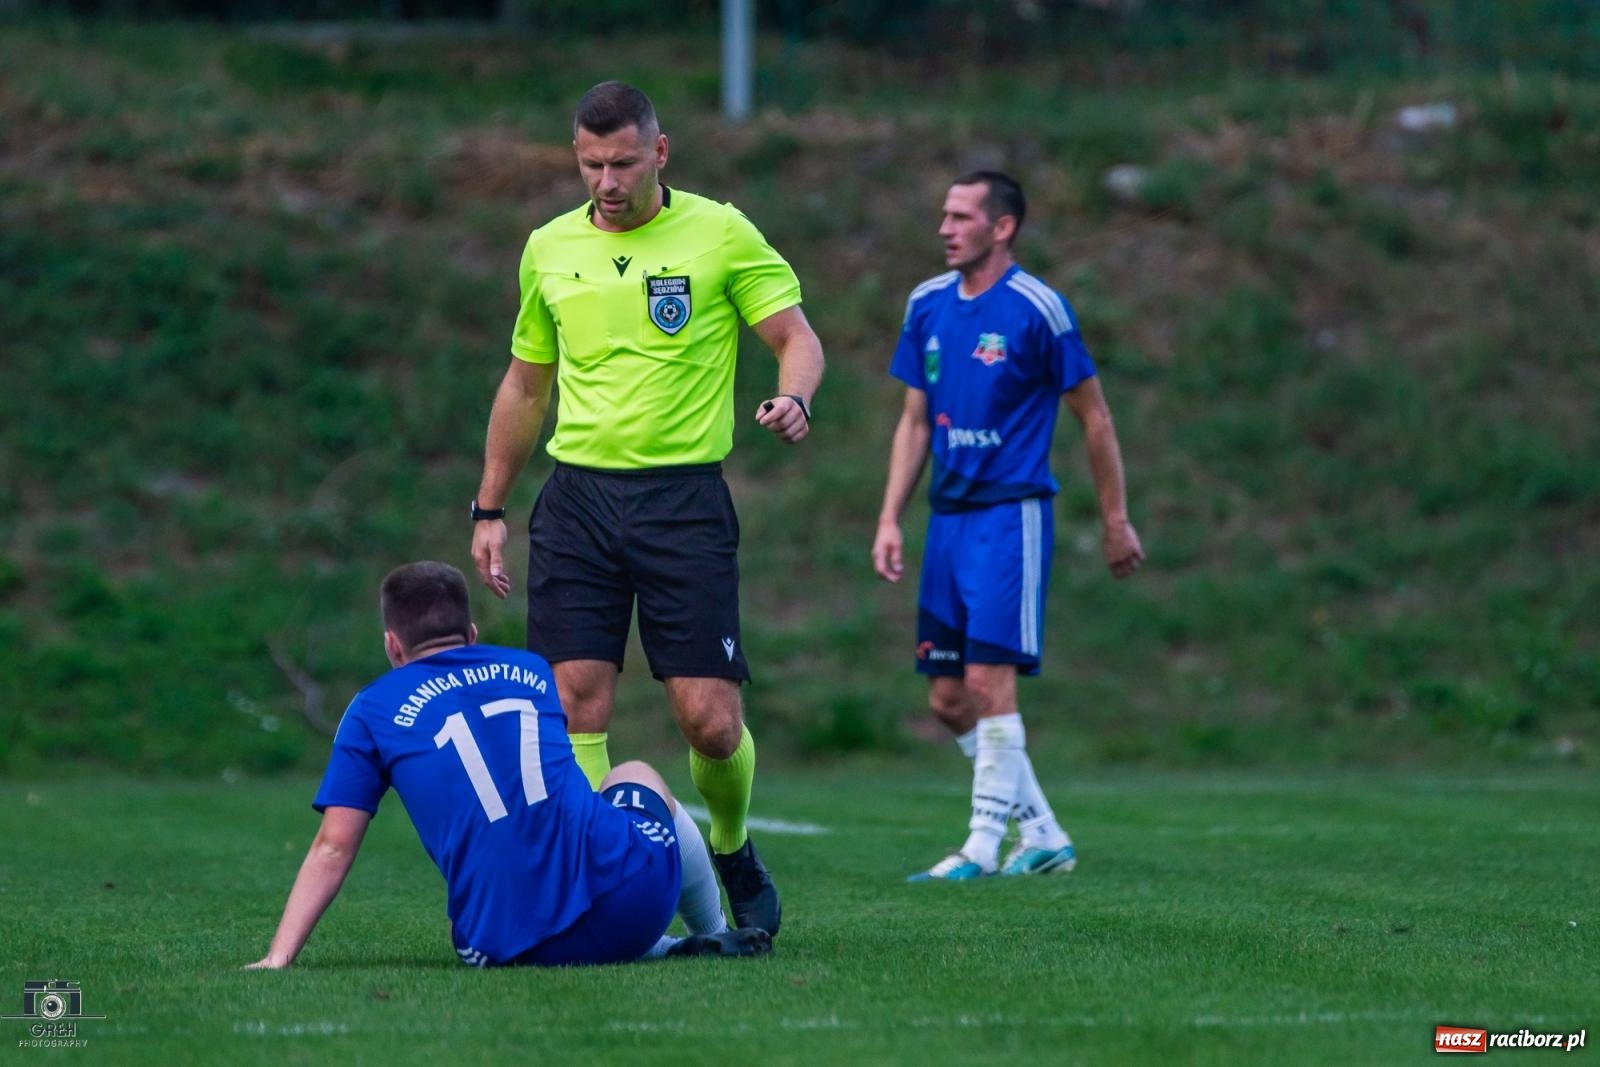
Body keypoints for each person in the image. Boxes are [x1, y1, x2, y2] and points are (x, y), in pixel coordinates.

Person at [469, 81, 823, 935]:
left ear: (659, 153)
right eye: (590, 164)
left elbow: (795, 338)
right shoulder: (549, 248)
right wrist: (489, 505)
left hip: (682, 503)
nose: (606, 181)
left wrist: (796, 397)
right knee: (572, 703)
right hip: (578, 501)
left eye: (623, 161)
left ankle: (731, 846)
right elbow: (526, 383)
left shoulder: (721, 233)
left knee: (708, 719)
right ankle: (601, 880)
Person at [245, 561, 771, 969]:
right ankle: (709, 927)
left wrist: (280, 955)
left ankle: (667, 946)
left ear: (392, 646)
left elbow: (334, 845)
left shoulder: (372, 708)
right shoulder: (530, 669)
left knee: (519, 900)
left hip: (506, 942)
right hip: (635, 902)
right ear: (471, 634)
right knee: (635, 775)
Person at [871, 171, 1144, 881]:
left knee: (991, 681)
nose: (945, 227)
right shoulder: (926, 304)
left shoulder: (1037, 309)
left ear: (1002, 227)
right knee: (948, 696)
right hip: (947, 523)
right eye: (943, 213)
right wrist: (890, 517)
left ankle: (981, 847)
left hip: (1009, 515)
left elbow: (1096, 416)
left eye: (961, 216)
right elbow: (912, 421)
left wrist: (1115, 520)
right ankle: (1044, 834)